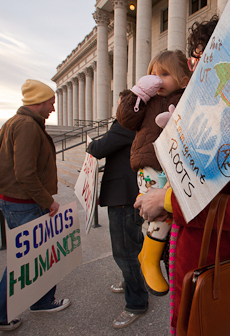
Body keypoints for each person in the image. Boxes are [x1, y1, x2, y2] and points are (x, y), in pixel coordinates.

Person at [133, 16, 230, 333]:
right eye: (198, 59)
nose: (199, 68)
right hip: (185, 248)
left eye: (208, 59)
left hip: (218, 258)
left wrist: (169, 200)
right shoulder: (194, 108)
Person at [0, 79, 70, 332]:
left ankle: (41, 300)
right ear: (40, 102)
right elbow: (25, 173)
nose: (53, 108)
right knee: (24, 260)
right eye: (51, 102)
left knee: (33, 255)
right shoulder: (28, 126)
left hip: (14, 201)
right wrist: (48, 201)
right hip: (26, 203)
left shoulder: (13, 122)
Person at [116, 50, 191, 296]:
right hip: (149, 163)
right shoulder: (144, 101)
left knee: (165, 209)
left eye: (165, 74)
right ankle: (149, 259)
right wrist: (137, 94)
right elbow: (125, 120)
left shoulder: (186, 98)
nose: (157, 80)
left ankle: (149, 253)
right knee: (159, 212)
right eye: (152, 74)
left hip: (175, 166)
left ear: (183, 80)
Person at [87, 90, 149, 329]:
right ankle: (134, 280)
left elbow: (98, 149)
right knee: (133, 244)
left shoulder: (125, 124)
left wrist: (91, 142)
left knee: (124, 251)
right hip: (127, 193)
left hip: (123, 196)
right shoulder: (134, 123)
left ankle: (136, 302)